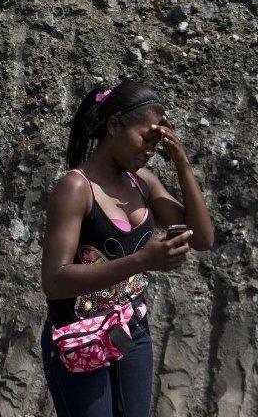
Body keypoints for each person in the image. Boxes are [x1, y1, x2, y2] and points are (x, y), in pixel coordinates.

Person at [40, 77, 214, 417]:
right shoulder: (76, 188)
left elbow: (203, 239)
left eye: (157, 144)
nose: (150, 151)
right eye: (146, 139)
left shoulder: (142, 182)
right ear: (114, 125)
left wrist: (182, 164)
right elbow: (55, 280)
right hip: (79, 335)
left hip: (131, 330)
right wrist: (141, 260)